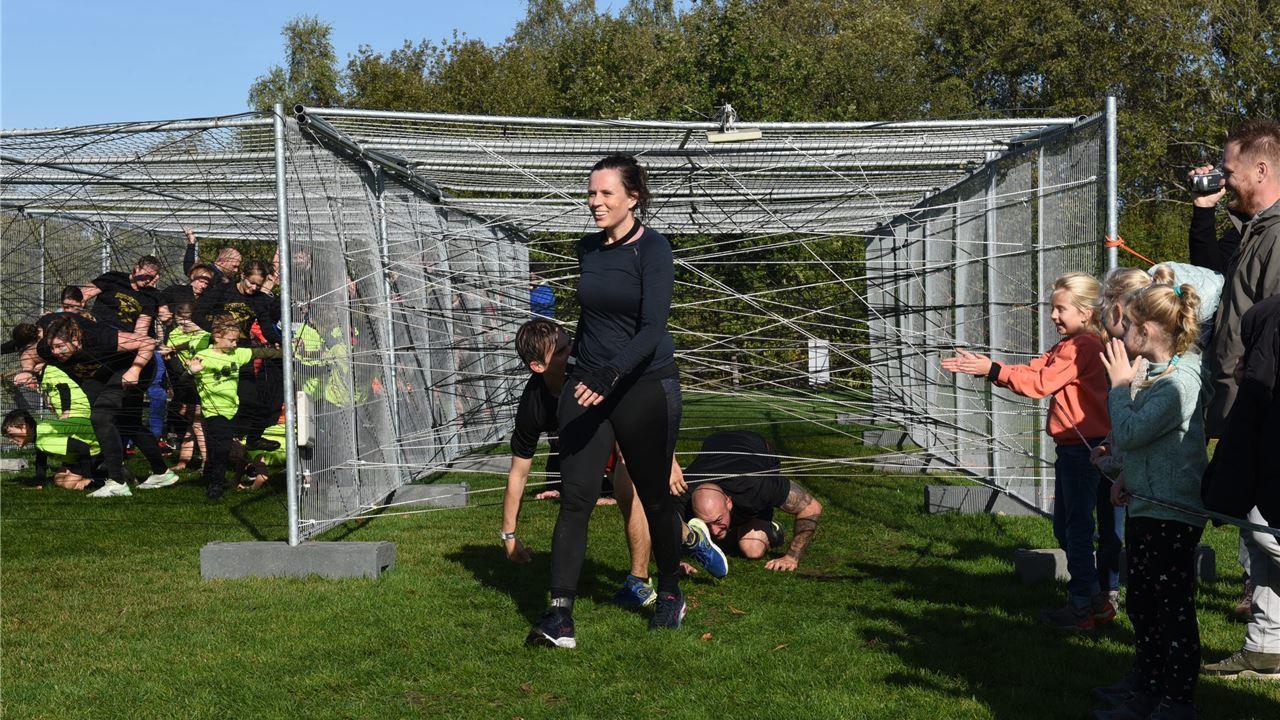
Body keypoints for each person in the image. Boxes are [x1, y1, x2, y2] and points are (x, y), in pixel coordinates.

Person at [527, 155, 685, 649]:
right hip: (588, 386)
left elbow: (652, 328)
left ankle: (670, 592)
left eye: (605, 193)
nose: (595, 202)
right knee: (576, 497)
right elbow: (594, 319)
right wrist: (577, 368)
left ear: (632, 198)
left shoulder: (654, 250)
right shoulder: (588, 249)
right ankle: (560, 616)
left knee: (654, 496)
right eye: (591, 193)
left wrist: (612, 373)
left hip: (643, 385)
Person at [503, 319, 725, 610]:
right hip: (585, 439)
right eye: (560, 352)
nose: (571, 353)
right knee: (582, 498)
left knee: (629, 484)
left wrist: (667, 456)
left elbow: (644, 407)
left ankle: (639, 581)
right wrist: (509, 536)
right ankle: (689, 538)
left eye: (570, 345)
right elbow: (519, 473)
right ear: (537, 366)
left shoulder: (591, 369)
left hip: (625, 421)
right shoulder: (534, 404)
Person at [942, 273, 1114, 630]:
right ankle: (1095, 599)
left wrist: (992, 369)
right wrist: (991, 368)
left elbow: (1041, 383)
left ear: (1085, 312)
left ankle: (1082, 606)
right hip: (1079, 449)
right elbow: (1036, 369)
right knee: (1069, 528)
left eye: (1061, 309)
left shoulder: (1081, 346)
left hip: (1083, 452)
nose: (1053, 315)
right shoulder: (1073, 344)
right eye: (1053, 308)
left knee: (1076, 530)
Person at [1091, 276, 1209, 720]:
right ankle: (1145, 689)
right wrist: (1123, 473)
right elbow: (1146, 445)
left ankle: (1176, 702)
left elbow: (1132, 431)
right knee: (1143, 605)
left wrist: (1119, 387)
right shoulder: (1157, 373)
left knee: (1171, 611)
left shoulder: (1181, 383)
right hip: (1147, 504)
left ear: (1146, 331)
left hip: (1172, 513)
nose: (1121, 332)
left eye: (1129, 324)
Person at [1200, 293, 1280, 681]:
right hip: (1267, 440)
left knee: (1265, 532)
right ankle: (1264, 645)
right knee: (1257, 532)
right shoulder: (1268, 314)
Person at [19, 314, 177, 496]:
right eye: (52, 347)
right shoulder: (47, 348)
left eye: (60, 346)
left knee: (100, 418)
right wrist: (27, 371)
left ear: (76, 340)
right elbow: (28, 355)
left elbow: (147, 342)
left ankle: (117, 482)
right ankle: (162, 473)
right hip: (101, 376)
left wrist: (135, 370)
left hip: (133, 367)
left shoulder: (98, 338)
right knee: (127, 422)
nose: (55, 352)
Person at [674, 430, 823, 571]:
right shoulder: (681, 494)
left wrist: (791, 557)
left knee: (753, 550)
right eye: (706, 524)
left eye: (718, 520)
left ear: (728, 501)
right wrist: (675, 563)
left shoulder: (757, 486)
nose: (714, 531)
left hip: (757, 448)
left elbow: (811, 507)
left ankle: (771, 528)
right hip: (715, 442)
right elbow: (663, 527)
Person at [186, 314, 283, 500]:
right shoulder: (203, 356)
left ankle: (254, 439)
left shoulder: (236, 354)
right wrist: (191, 371)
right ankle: (216, 485)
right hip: (214, 411)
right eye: (231, 340)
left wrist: (286, 352)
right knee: (222, 448)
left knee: (262, 408)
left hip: (234, 408)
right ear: (217, 337)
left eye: (236, 340)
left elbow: (260, 353)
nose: (235, 344)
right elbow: (185, 378)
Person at [2, 409, 103, 491]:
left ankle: (102, 478)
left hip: (96, 447)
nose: (10, 440)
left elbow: (83, 447)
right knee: (59, 479)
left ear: (24, 427)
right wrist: (40, 484)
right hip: (81, 452)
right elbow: (41, 461)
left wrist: (87, 477)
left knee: (68, 484)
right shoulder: (40, 431)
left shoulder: (44, 440)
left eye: (11, 434)